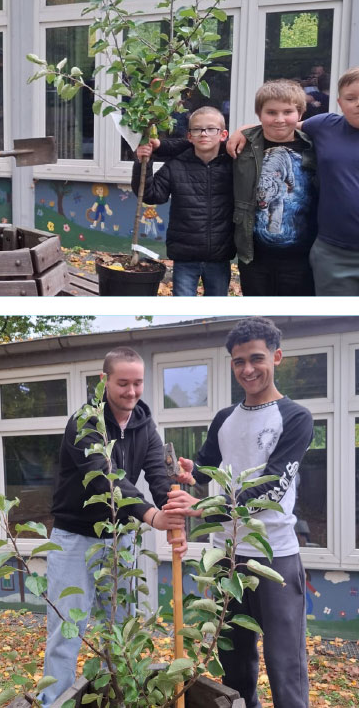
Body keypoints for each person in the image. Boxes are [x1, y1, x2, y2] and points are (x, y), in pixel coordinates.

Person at [163, 317, 311, 708]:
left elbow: (271, 489)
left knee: (286, 666)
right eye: (239, 361)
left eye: (256, 358)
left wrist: (202, 510)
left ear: (276, 357)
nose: (247, 369)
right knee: (235, 664)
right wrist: (191, 472)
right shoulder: (224, 418)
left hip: (275, 557)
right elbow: (207, 466)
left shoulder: (296, 418)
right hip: (227, 558)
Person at [39, 348, 192, 706]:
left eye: (138, 383)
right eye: (123, 383)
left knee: (123, 629)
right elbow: (104, 478)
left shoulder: (144, 424)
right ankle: (53, 702)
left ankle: (119, 698)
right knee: (66, 631)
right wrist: (151, 516)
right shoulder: (85, 422)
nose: (131, 391)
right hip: (74, 540)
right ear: (104, 380)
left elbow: (158, 475)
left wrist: (173, 516)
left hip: (119, 540)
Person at [222, 80, 318, 295]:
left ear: (300, 114)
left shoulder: (315, 145)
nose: (279, 119)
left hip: (302, 255)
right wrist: (159, 145)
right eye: (271, 112)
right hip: (255, 256)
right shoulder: (243, 146)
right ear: (259, 114)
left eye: (288, 112)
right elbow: (200, 147)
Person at [132, 106, 234, 296]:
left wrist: (162, 146)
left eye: (211, 129)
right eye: (197, 129)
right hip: (185, 256)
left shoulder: (233, 164)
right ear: (189, 136)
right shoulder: (176, 165)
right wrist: (143, 162)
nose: (203, 134)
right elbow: (151, 195)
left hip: (219, 255)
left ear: (223, 135)